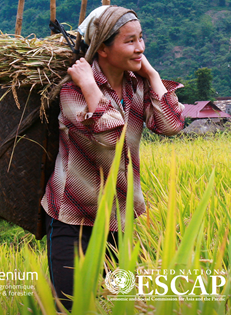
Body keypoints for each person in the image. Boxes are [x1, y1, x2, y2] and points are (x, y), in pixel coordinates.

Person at [40, 5, 184, 311]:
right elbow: (110, 140)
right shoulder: (73, 90)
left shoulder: (137, 84)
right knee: (70, 305)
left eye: (141, 39)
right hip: (74, 217)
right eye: (130, 41)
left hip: (120, 217)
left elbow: (170, 125)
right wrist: (91, 86)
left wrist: (154, 75)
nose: (140, 48)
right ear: (103, 49)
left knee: (117, 305)